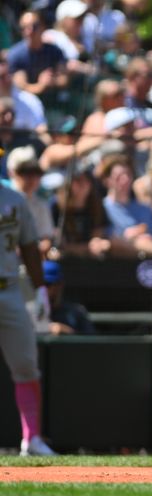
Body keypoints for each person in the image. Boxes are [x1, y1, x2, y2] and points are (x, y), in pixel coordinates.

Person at [0, 148, 57, 456]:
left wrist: (39, 290)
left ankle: (31, 438)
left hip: (9, 287)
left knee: (26, 363)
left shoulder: (14, 200)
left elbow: (30, 247)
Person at [41, 260, 96, 335]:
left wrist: (67, 332)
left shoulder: (76, 312)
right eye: (39, 285)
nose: (44, 289)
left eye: (47, 284)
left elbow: (91, 342)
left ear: (60, 285)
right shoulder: (29, 312)